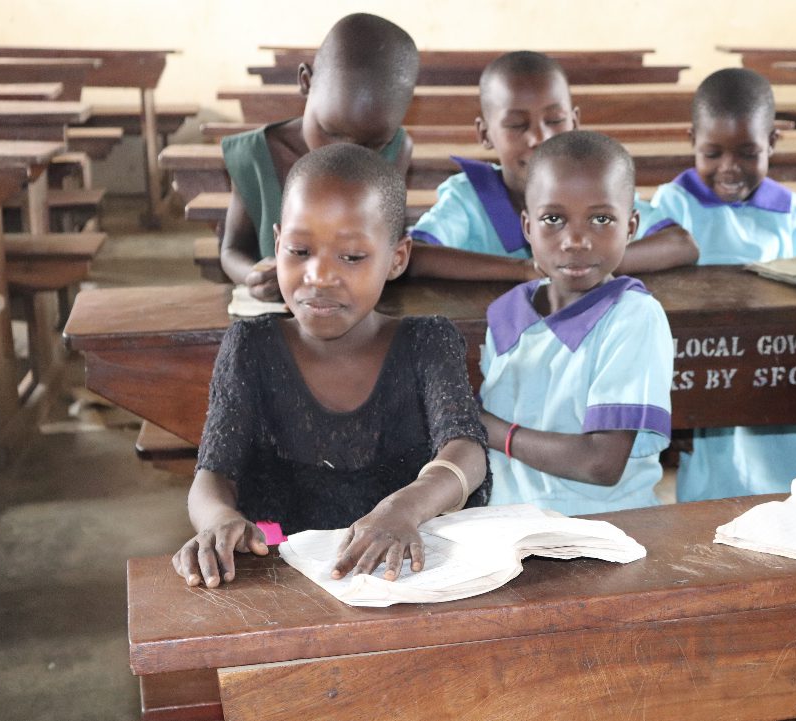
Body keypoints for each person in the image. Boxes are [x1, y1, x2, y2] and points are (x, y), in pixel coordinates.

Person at [172, 144, 489, 588]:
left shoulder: (427, 342)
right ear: (277, 243)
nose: (319, 275)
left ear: (397, 258)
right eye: (300, 251)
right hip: (285, 580)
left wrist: (404, 507)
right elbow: (213, 474)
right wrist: (220, 520)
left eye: (352, 257)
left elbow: (466, 450)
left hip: (406, 577)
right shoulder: (250, 347)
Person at [648, 67, 796, 502]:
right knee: (713, 501)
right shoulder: (673, 203)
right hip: (705, 372)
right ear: (691, 141)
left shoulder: (795, 213)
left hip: (784, 372)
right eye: (712, 152)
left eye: (747, 152)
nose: (729, 168)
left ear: (773, 142)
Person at [477, 131, 674, 516]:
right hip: (506, 523)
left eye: (601, 219)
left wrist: (491, 430)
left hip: (604, 527)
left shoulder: (633, 318)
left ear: (631, 227)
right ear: (528, 226)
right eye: (554, 219)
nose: (576, 240)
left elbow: (600, 463)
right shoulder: (506, 313)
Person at [406, 51, 698, 281]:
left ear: (575, 123)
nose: (538, 137)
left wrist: (588, 264)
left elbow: (681, 244)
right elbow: (414, 256)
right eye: (517, 124)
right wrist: (525, 270)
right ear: (485, 134)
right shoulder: (470, 197)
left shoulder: (597, 190)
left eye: (555, 120)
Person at [220, 13, 419, 300]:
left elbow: (388, 245)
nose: (346, 152)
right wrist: (254, 275)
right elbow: (230, 250)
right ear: (305, 81)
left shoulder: (397, 149)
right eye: (332, 131)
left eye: (371, 144)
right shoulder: (255, 155)